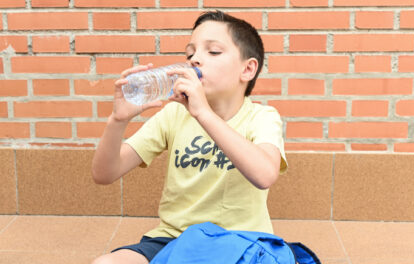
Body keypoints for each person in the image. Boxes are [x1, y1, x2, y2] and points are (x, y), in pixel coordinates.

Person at [91, 10, 287, 264]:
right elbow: (104, 174)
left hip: (241, 241)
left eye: (213, 52)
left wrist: (203, 113)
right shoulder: (173, 115)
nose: (195, 60)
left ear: (247, 69)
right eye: (190, 53)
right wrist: (117, 121)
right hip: (174, 239)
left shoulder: (262, 117)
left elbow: (265, 175)